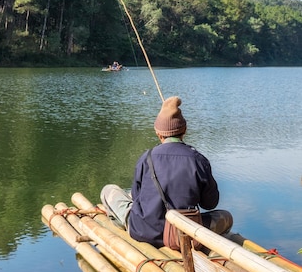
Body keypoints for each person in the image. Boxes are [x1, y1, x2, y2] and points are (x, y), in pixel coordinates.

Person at [100, 96, 233, 248]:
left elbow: (136, 198)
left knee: (108, 190)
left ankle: (123, 225)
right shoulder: (199, 160)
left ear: (158, 133)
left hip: (144, 232)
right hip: (183, 235)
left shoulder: (146, 158)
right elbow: (210, 204)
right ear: (185, 130)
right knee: (226, 217)